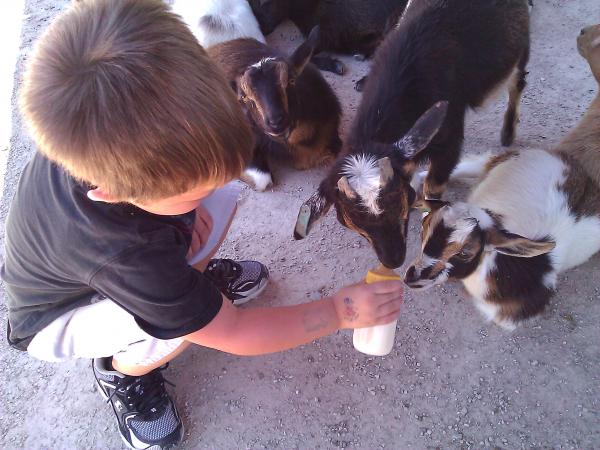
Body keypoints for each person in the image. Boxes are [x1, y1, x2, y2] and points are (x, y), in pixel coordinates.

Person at [1, 1, 404, 448]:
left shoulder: (94, 133)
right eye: (192, 189)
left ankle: (189, 284)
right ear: (115, 192)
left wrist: (193, 203)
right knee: (175, 323)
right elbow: (235, 334)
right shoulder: (130, 258)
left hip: (114, 255)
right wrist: (339, 312)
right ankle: (124, 372)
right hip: (60, 315)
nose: (218, 185)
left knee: (220, 201)